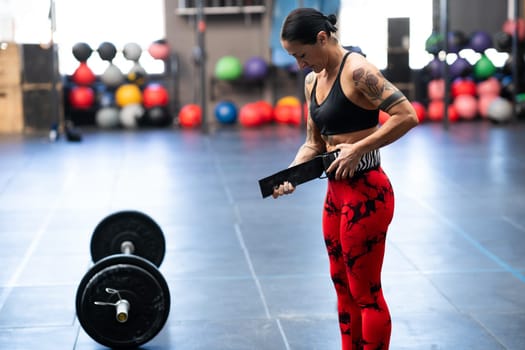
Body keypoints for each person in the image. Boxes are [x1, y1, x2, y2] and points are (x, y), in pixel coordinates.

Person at [273, 8, 419, 350]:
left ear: (322, 38)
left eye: (302, 55)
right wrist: (291, 175)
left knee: (366, 293)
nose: (300, 65)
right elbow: (314, 142)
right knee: (342, 286)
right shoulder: (312, 80)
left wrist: (358, 148)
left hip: (368, 194)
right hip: (335, 195)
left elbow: (407, 115)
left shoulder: (359, 71)